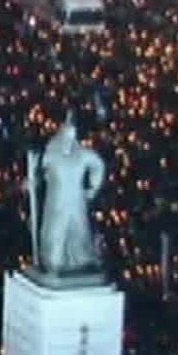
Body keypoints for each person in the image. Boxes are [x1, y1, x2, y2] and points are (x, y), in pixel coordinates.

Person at [35, 112, 107, 275]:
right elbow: (41, 170)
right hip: (57, 201)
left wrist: (92, 189)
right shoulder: (52, 153)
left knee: (79, 229)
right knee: (56, 231)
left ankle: (80, 260)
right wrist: (36, 179)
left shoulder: (81, 155)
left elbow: (98, 165)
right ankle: (53, 260)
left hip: (75, 200)